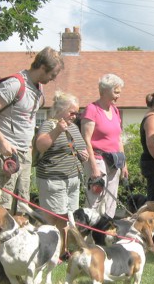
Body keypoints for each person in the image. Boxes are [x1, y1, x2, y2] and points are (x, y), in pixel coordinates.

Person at [0, 46, 64, 212]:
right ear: (42, 68)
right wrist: (1, 141)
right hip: (6, 152)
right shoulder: (15, 84)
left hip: (25, 153)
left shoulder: (38, 88)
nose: (53, 79)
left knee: (23, 202)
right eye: (52, 75)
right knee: (2, 202)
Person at [34, 91, 88, 218]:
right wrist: (57, 130)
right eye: (72, 113)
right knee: (57, 220)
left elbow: (80, 148)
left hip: (73, 180)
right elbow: (40, 145)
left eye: (77, 113)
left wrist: (84, 155)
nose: (75, 116)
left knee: (71, 219)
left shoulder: (73, 127)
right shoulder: (49, 124)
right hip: (54, 181)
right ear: (61, 110)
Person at [81, 74, 128, 218]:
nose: (118, 96)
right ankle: (89, 237)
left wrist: (124, 164)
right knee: (96, 199)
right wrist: (94, 167)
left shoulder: (115, 110)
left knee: (111, 200)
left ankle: (107, 234)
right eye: (116, 92)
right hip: (98, 159)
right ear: (104, 91)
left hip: (114, 161)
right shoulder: (92, 109)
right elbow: (86, 139)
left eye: (119, 92)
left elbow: (118, 138)